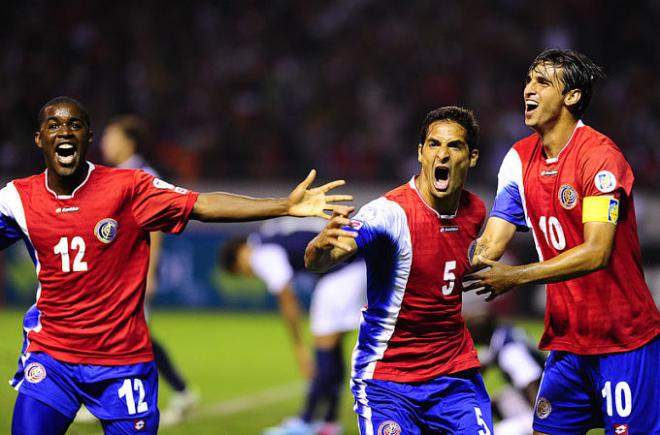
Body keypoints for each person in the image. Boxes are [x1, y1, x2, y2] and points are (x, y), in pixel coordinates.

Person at [2, 96, 352, 435]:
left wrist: (282, 205)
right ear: (39, 138)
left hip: (121, 364)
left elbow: (202, 205)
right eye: (54, 125)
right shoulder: (18, 198)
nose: (64, 132)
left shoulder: (129, 187)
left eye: (74, 125)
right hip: (51, 359)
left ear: (88, 137)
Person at [464, 48, 660, 435]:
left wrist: (516, 277)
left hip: (622, 342)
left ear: (572, 96)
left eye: (542, 82)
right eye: (527, 80)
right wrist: (436, 253)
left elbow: (597, 251)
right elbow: (491, 242)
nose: (528, 89)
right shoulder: (520, 160)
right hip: (568, 345)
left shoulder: (600, 158)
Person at [305, 106, 494, 434]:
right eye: (434, 145)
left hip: (453, 377)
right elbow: (329, 255)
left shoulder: (475, 210)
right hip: (387, 381)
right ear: (420, 153)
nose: (443, 155)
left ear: (472, 157)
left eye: (455, 146)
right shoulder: (388, 213)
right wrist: (320, 247)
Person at [219, 217, 367, 435]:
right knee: (333, 347)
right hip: (356, 263)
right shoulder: (268, 235)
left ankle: (306, 422)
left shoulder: (261, 254)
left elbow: (286, 296)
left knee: (324, 347)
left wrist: (299, 347)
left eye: (241, 270)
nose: (247, 274)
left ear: (241, 252)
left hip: (342, 270)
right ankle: (329, 422)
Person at [99, 114, 198, 425]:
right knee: (128, 335)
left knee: (134, 337)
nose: (104, 142)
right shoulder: (115, 174)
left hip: (132, 273)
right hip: (115, 274)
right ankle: (174, 392)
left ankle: (176, 393)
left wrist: (150, 272)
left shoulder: (141, 175)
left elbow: (155, 228)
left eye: (110, 136)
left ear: (128, 142)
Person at [463, 292, 544, 435]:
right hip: (537, 399)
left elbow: (532, 384)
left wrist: (542, 426)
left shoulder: (510, 352)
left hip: (543, 409)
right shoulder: (500, 336)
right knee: (493, 402)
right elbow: (478, 367)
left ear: (479, 332)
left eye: (470, 331)